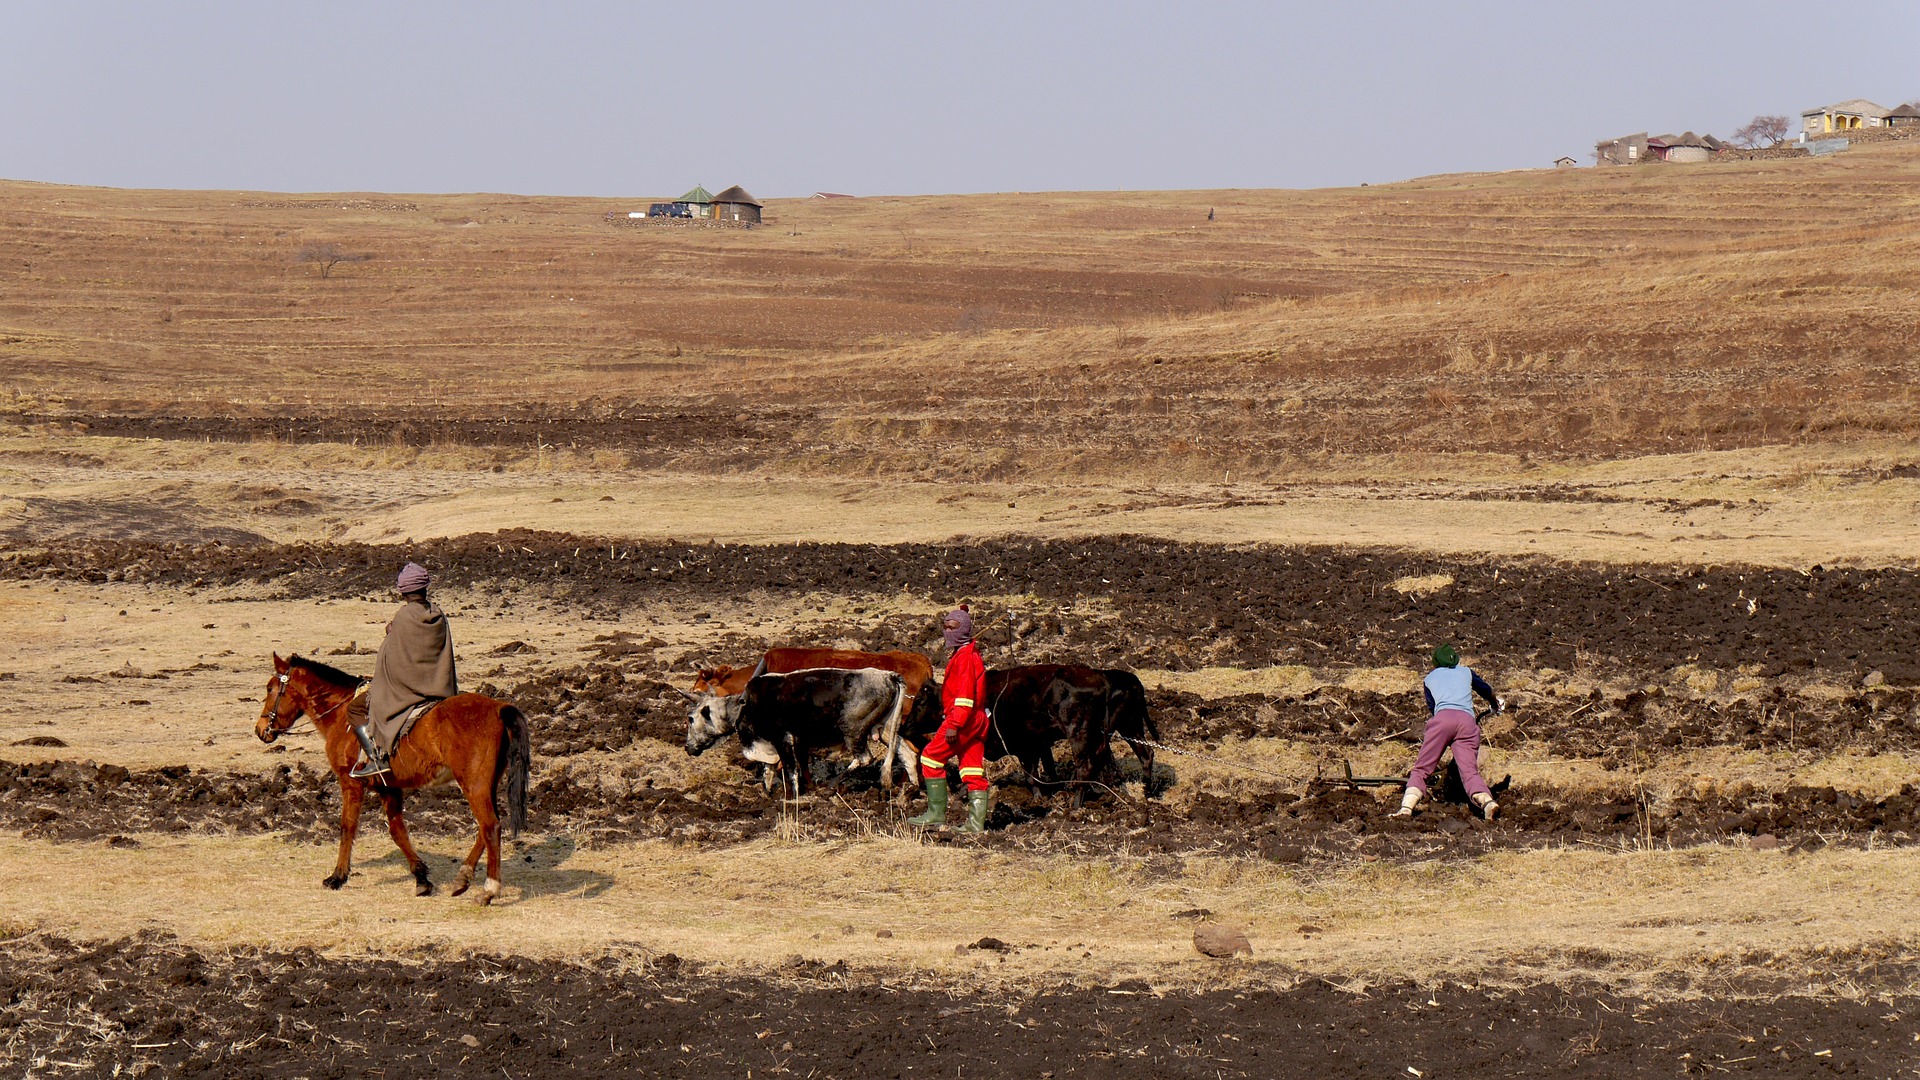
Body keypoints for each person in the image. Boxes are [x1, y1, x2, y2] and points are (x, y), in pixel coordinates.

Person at [352, 562, 459, 781]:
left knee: (356, 708)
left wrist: (390, 634)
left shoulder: (403, 617)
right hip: (439, 686)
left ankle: (377, 759)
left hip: (409, 690)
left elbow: (395, 661)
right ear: (425, 588)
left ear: (403, 592)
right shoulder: (438, 615)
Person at [1392, 643, 1502, 820]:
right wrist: (1494, 704)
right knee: (1470, 772)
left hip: (1443, 719)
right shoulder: (1466, 672)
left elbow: (1433, 707)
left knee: (1422, 768)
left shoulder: (1429, 678)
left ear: (1435, 663)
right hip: (1467, 722)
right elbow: (1486, 690)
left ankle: (1406, 809)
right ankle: (1488, 802)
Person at [908, 604, 990, 832]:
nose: (947, 632)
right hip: (977, 720)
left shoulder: (964, 659)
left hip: (962, 720)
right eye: (944, 627)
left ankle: (935, 815)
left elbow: (964, 697)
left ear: (962, 630)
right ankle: (975, 824)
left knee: (930, 758)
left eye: (952, 627)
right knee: (972, 768)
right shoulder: (967, 653)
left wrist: (954, 725)